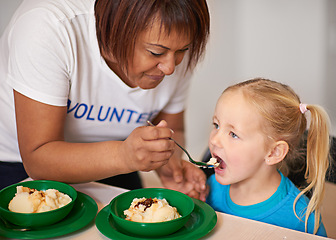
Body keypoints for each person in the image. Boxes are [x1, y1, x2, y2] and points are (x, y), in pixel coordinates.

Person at [0, 0, 210, 201]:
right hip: (17, 164)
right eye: (156, 52)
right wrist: (124, 156)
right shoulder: (49, 28)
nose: (170, 68)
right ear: (115, 31)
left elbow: (172, 129)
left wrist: (167, 163)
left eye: (183, 50)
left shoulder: (171, 49)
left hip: (117, 162)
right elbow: (38, 159)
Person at [206, 78, 330, 236]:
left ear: (274, 152)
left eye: (233, 134)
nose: (214, 140)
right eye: (216, 125)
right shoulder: (209, 189)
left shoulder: (300, 219)